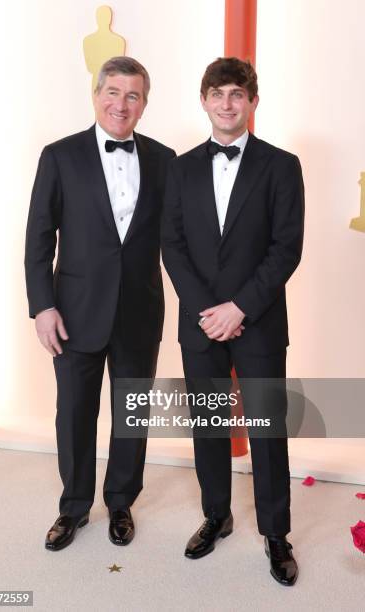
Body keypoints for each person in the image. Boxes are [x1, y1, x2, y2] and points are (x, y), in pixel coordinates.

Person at [162, 57, 304, 586]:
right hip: (200, 322)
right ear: (204, 100)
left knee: (268, 430)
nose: (227, 103)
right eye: (217, 94)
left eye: (236, 95)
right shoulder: (179, 168)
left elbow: (286, 247)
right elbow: (172, 245)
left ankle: (276, 534)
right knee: (208, 424)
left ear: (252, 102)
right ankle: (216, 516)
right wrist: (209, 313)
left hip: (259, 320)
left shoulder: (282, 165)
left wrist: (240, 308)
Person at [25, 56, 175, 551]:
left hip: (139, 310)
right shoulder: (59, 156)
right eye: (113, 92)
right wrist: (42, 306)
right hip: (73, 312)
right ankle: (72, 508)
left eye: (133, 96)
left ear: (144, 105)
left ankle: (121, 502)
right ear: (96, 96)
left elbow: (178, 238)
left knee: (132, 414)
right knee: (73, 413)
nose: (121, 104)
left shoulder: (164, 160)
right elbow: (39, 238)